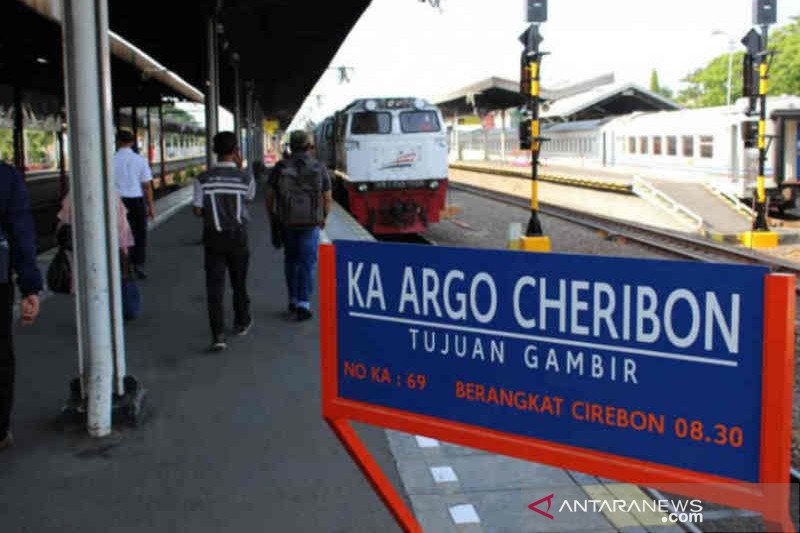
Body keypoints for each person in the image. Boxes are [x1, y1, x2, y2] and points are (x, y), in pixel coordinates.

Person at [193, 132, 255, 351]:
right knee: (239, 283)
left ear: (214, 151)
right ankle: (242, 322)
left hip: (213, 238)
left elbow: (198, 209)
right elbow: (249, 197)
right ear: (236, 151)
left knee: (215, 287)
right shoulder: (245, 177)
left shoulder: (203, 178)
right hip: (238, 237)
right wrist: (241, 168)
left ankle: (218, 335)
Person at [266, 130, 331, 322]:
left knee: (291, 260)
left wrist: (273, 217)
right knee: (308, 263)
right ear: (309, 147)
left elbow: (269, 197)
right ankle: (303, 303)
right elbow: (327, 198)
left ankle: (293, 299)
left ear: (290, 147)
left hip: (287, 221)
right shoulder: (319, 167)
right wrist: (324, 217)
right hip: (311, 223)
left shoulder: (280, 167)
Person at [0, 162, 42, 450]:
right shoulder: (5, 176)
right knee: (1, 354)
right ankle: (0, 429)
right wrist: (30, 286)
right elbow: (20, 232)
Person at [114, 130, 155, 280]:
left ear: (117, 142)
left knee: (118, 234)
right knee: (139, 234)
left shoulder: (110, 160)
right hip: (136, 201)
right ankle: (137, 264)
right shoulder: (140, 160)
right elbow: (146, 186)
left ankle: (120, 266)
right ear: (132, 142)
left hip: (116, 202)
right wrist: (151, 207)